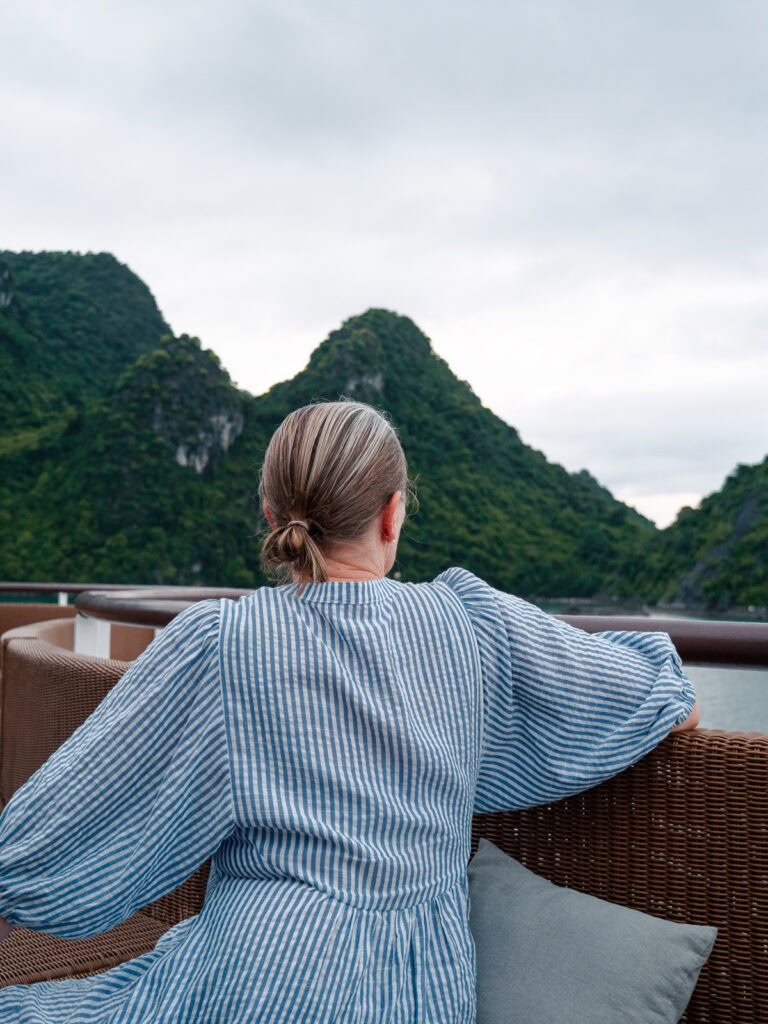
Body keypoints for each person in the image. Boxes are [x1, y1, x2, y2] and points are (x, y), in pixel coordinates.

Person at [0, 398, 699, 1022]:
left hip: (262, 974)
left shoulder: (223, 640)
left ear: (274, 516)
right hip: (424, 986)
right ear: (393, 511)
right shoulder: (473, 622)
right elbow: (662, 698)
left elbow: (61, 823)